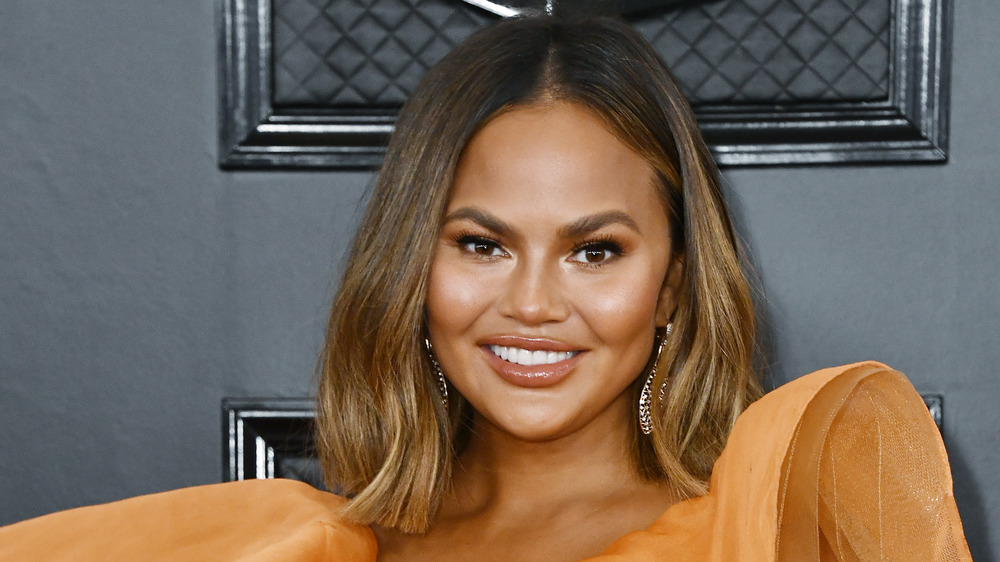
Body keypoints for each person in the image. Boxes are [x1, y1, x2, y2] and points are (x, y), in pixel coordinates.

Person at [0, 14, 971, 561]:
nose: (535, 302)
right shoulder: (295, 547)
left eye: (595, 250)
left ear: (671, 285)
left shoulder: (771, 522)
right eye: (481, 243)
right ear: (414, 267)